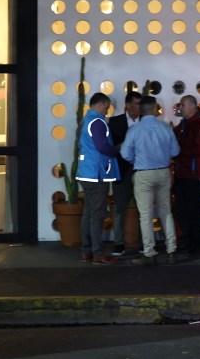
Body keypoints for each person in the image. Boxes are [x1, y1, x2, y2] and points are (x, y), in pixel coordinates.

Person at [120, 95, 180, 265]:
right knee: (165, 212)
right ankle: (171, 251)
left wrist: (136, 160)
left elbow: (125, 153)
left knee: (145, 215)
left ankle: (149, 253)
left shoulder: (134, 130)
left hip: (143, 173)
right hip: (163, 172)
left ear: (141, 110)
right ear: (155, 109)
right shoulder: (165, 128)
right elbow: (175, 151)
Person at [76, 92, 122, 265]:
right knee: (97, 215)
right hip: (96, 175)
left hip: (85, 173)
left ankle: (86, 252)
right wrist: (118, 148)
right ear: (101, 104)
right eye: (107, 106)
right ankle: (98, 254)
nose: (107, 110)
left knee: (88, 212)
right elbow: (103, 147)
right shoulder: (97, 122)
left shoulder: (85, 120)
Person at [172, 95, 200, 257]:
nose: (180, 108)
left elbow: (199, 150)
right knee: (181, 209)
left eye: (182, 105)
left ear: (192, 107)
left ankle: (198, 246)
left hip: (194, 177)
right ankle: (187, 241)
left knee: (195, 211)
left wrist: (178, 150)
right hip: (181, 174)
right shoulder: (183, 125)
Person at [108, 90, 141, 257]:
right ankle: (119, 243)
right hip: (121, 169)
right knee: (119, 207)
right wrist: (124, 144)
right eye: (135, 103)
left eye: (140, 104)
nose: (138, 107)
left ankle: (144, 243)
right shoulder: (114, 122)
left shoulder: (146, 122)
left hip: (141, 170)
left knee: (144, 207)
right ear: (127, 105)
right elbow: (109, 148)